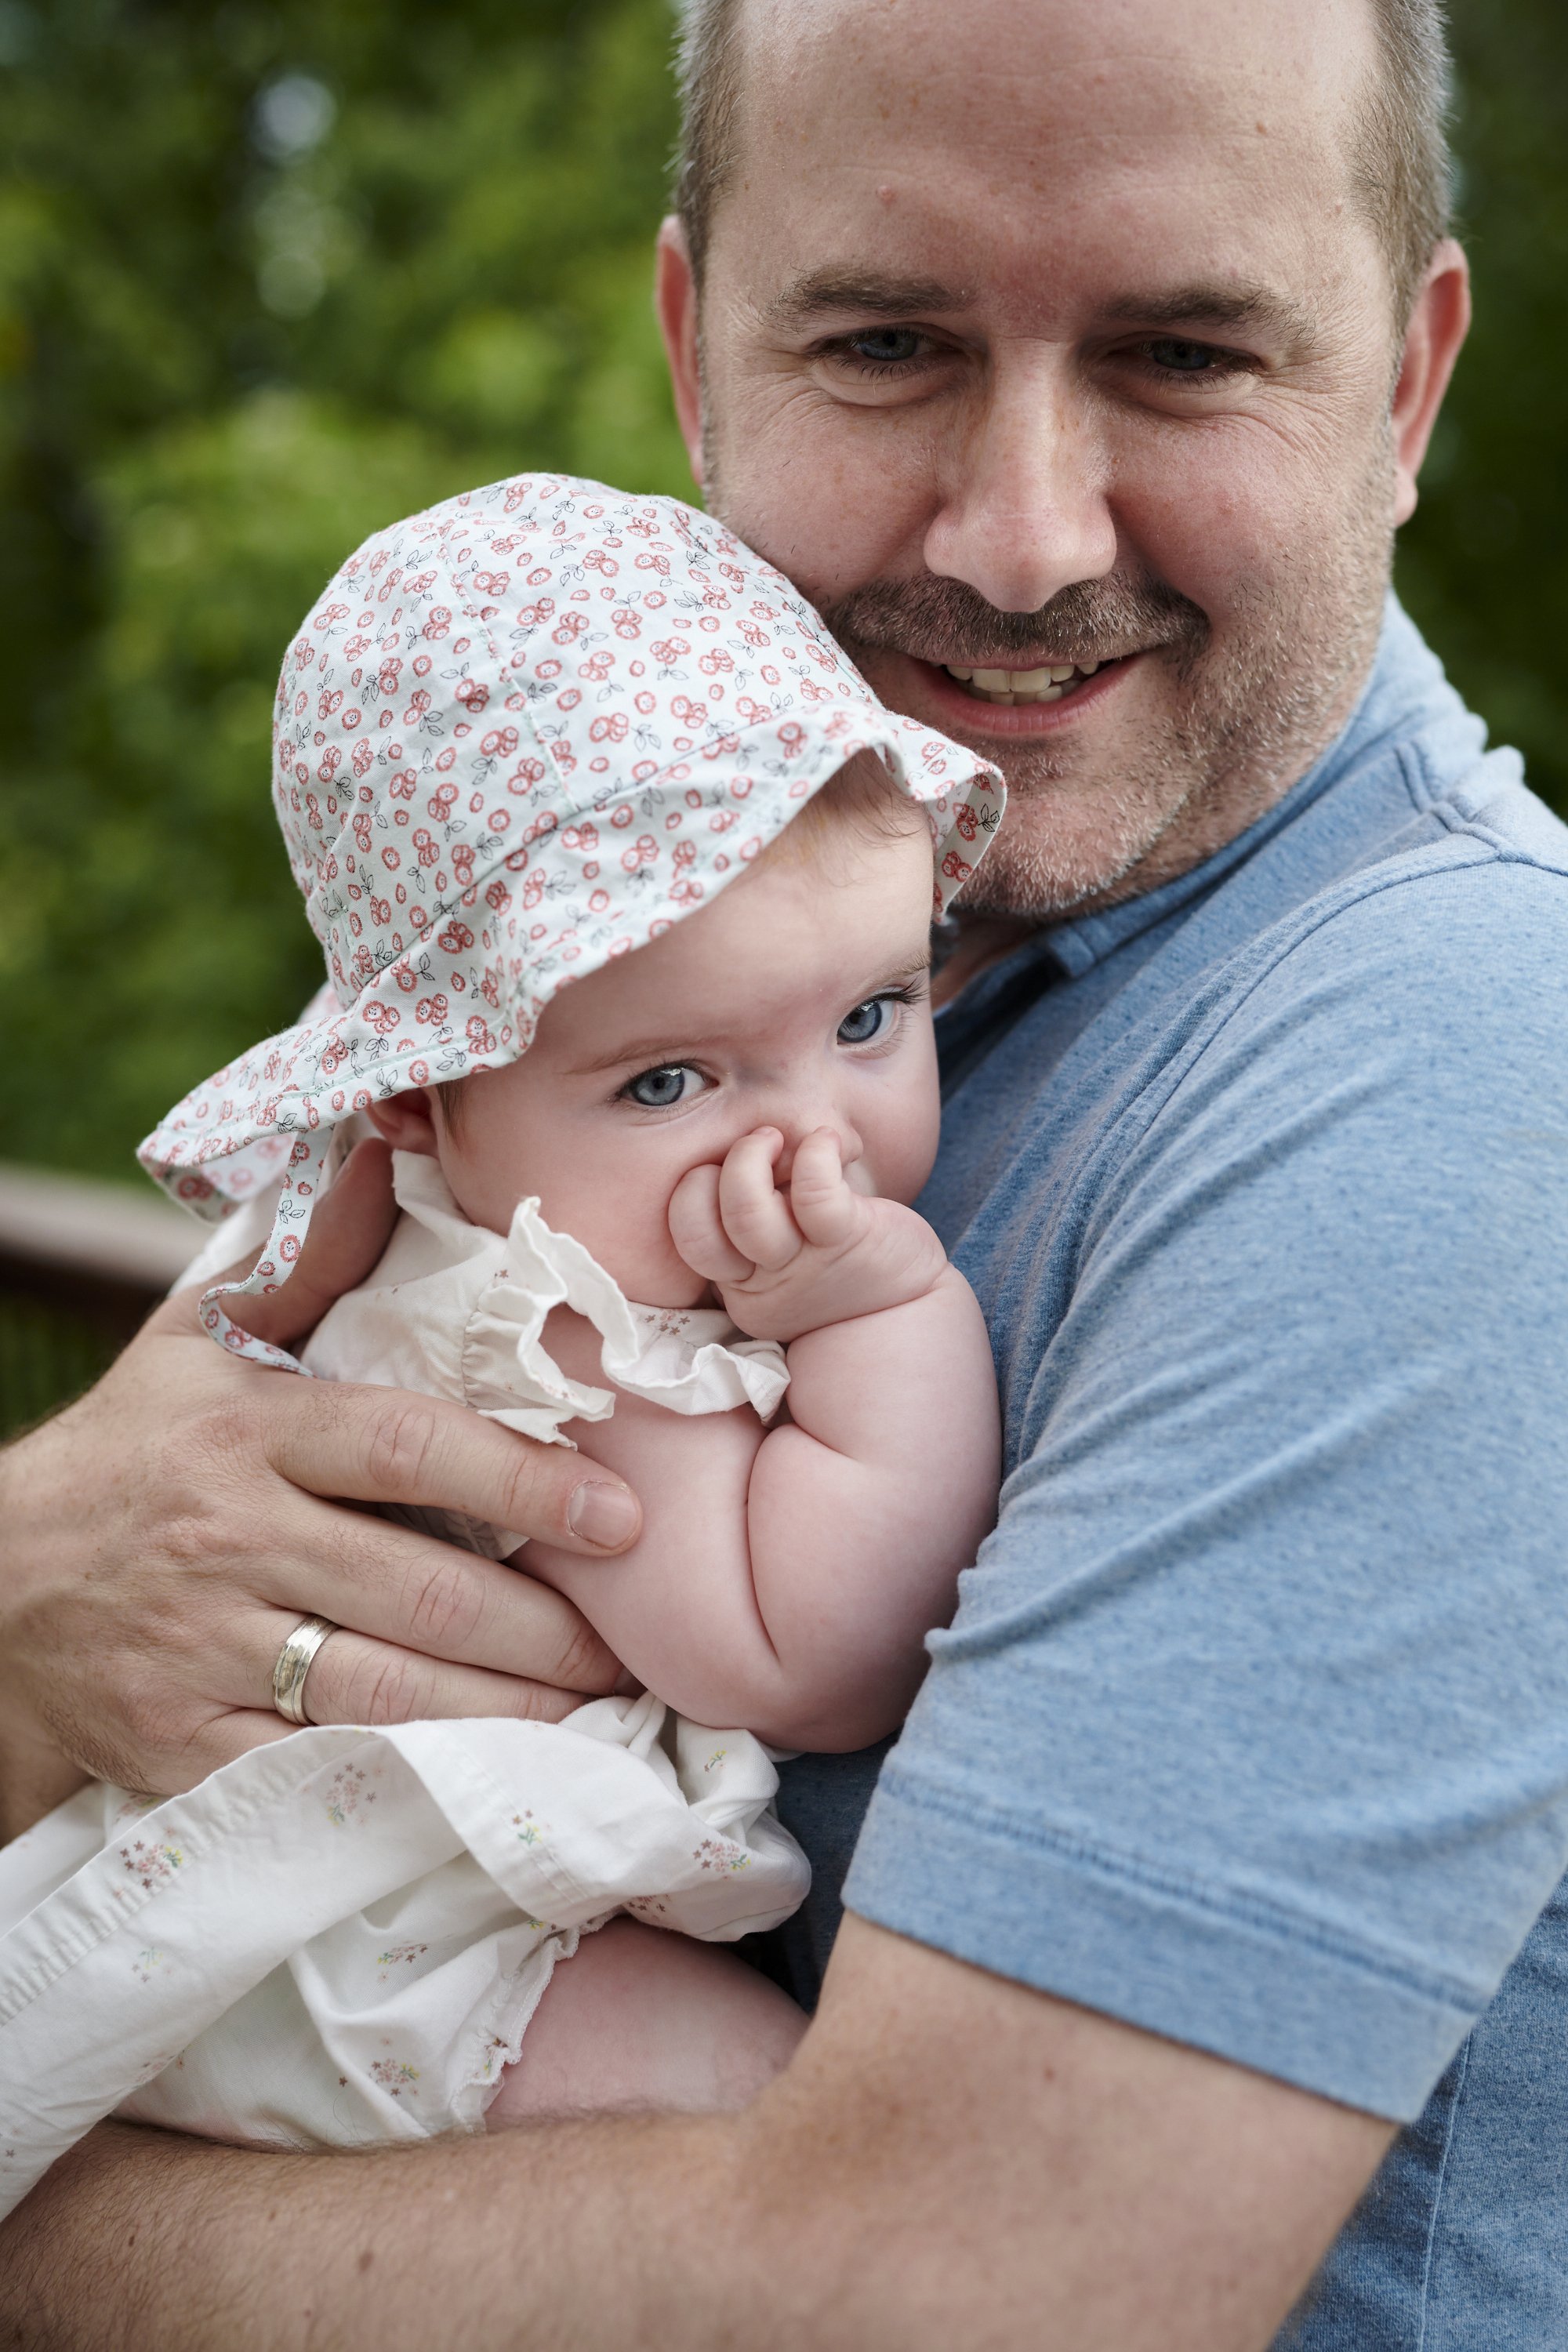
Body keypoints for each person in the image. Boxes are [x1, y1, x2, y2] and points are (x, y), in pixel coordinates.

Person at [4, 0, 1568, 2344]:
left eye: (1181, 354)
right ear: (695, 348)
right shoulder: (667, 880)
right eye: (888, 342)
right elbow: (125, 1554)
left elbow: (948, 2307)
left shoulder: (1441, 1068)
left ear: (1408, 391)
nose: (1025, 545)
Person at [0, 476, 1001, 2192]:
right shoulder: (551, 1327)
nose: (808, 1142)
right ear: (413, 1101)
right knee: (770, 2136)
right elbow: (800, 1656)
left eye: (868, 1015)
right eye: (670, 1081)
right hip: (349, 1939)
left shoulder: (471, 1204)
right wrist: (884, 1309)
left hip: (348, 1905)